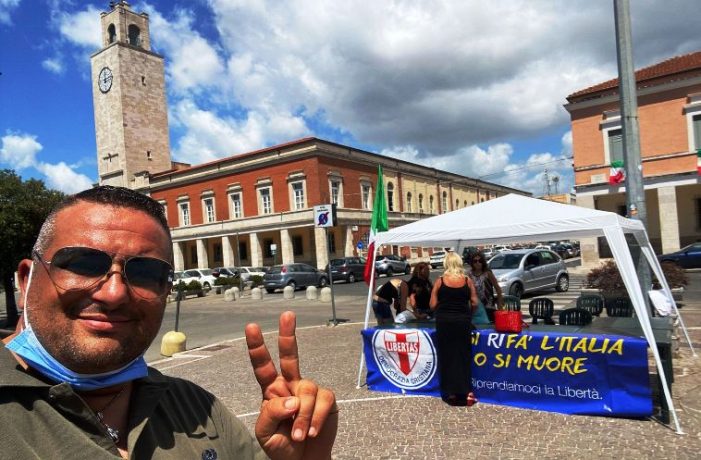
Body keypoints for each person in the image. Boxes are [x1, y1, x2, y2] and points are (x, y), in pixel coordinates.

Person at [0, 186, 337, 459]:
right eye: (84, 264)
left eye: (145, 273)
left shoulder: (198, 408)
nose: (114, 293)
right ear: (27, 280)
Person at [429, 251, 478, 407]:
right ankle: (467, 391)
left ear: (446, 264)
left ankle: (450, 392)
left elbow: (432, 304)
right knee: (463, 355)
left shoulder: (440, 281)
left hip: (444, 322)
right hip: (462, 321)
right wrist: (468, 314)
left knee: (447, 356)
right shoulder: (467, 281)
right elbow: (475, 302)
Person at [467, 252, 504, 323]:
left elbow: (498, 288)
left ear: (483, 262)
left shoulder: (487, 273)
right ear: (472, 263)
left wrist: (500, 303)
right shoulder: (469, 274)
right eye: (475, 261)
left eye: (480, 261)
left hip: (488, 304)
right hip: (475, 306)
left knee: (488, 325)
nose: (478, 263)